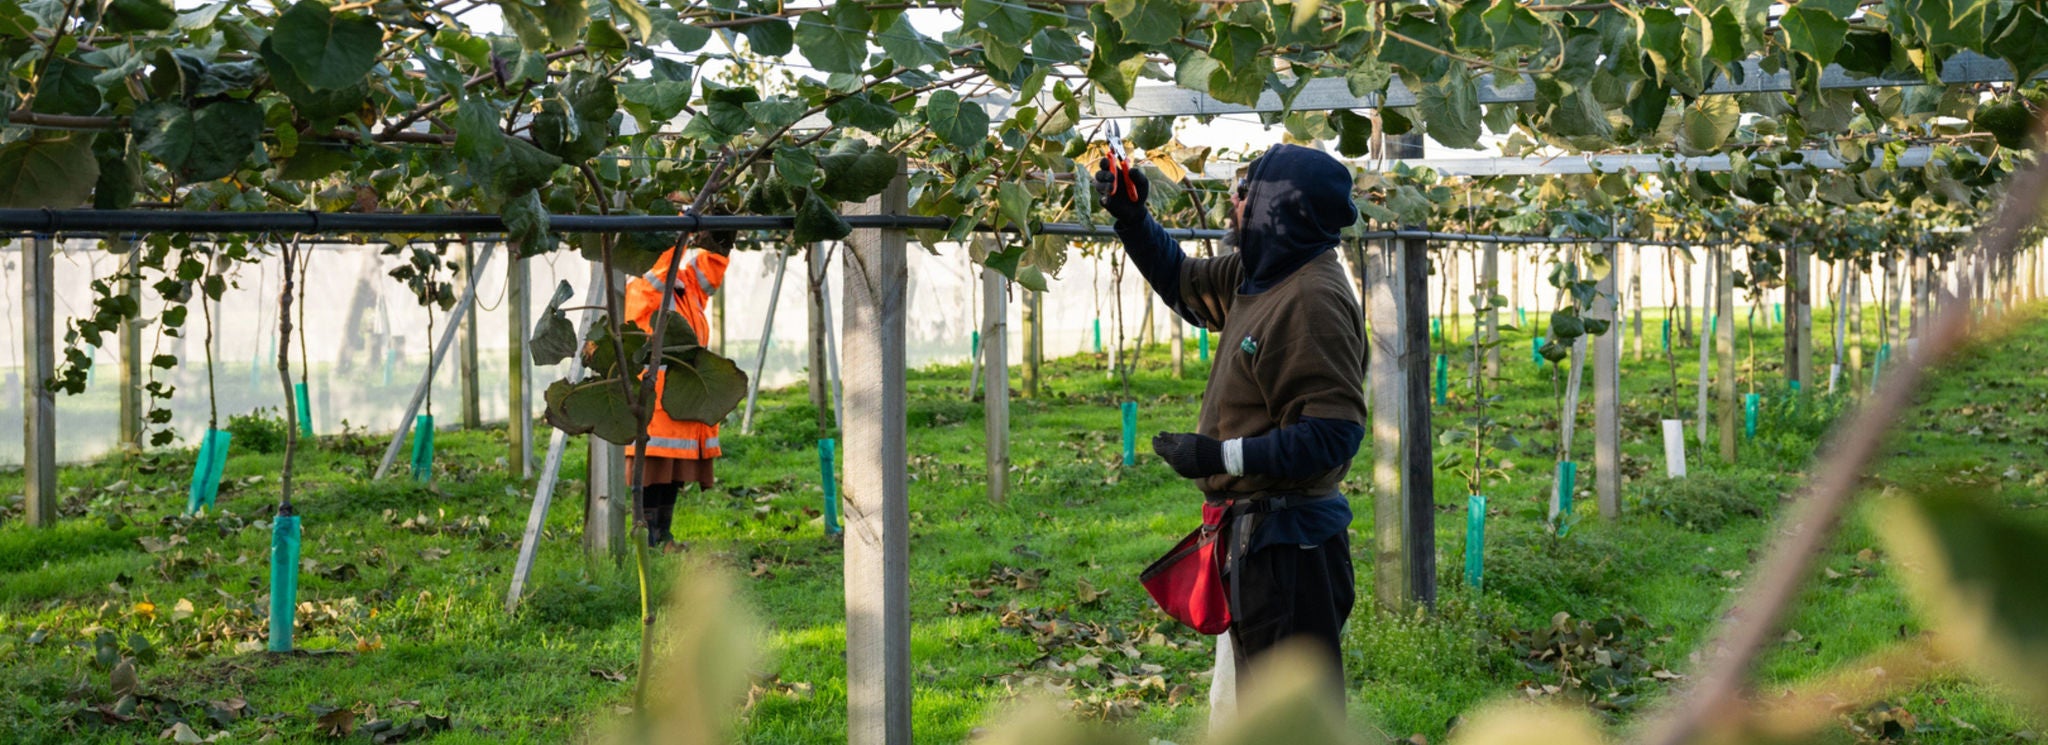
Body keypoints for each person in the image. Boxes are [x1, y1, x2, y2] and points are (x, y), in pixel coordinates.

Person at [1097, 144, 1367, 713]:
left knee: (1290, 722)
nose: (1232, 201)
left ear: (1279, 208)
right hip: (1256, 540)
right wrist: (1132, 216)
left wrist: (1219, 457)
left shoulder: (1312, 298)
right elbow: (1183, 282)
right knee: (1249, 712)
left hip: (1290, 550)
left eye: (1246, 192)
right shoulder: (1265, 269)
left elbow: (1333, 435)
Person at [621, 230, 734, 547]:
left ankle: (662, 537)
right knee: (651, 477)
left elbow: (707, 274)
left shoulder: (687, 290)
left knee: (670, 476)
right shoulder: (641, 289)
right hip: (655, 405)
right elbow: (661, 267)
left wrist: (719, 239)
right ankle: (649, 540)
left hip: (679, 403)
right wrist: (679, 226)